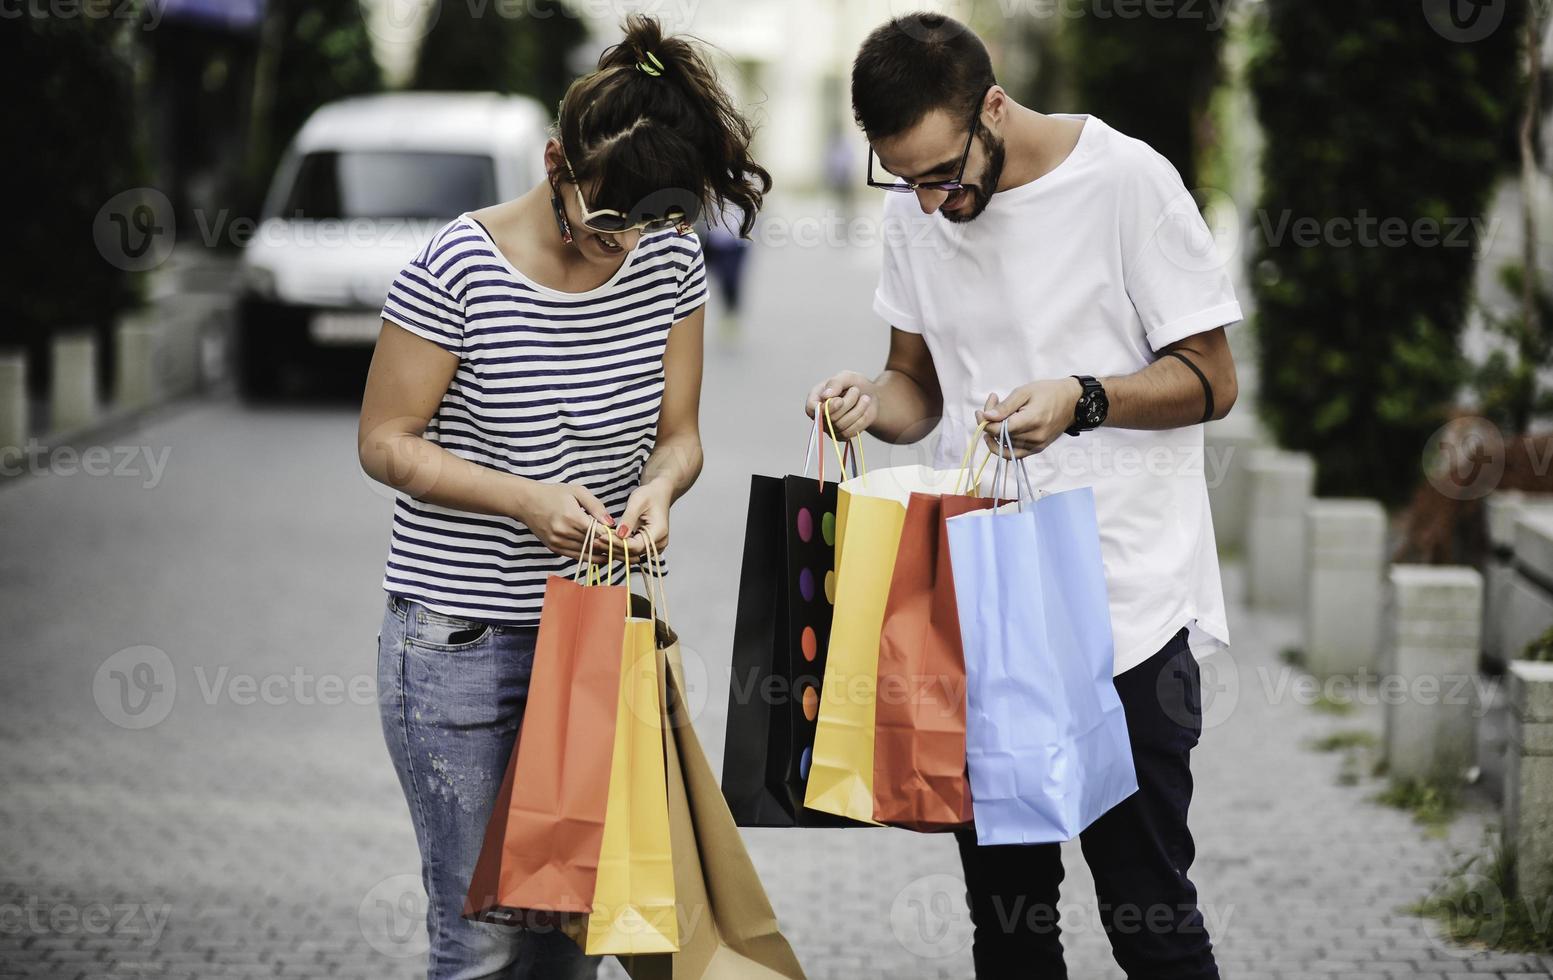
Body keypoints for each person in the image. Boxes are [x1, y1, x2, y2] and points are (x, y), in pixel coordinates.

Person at [807, 13, 1238, 980]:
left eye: (942, 174)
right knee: (1008, 924)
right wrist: (865, 405)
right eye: (903, 179)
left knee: (1147, 911)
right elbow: (917, 390)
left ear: (993, 108)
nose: (926, 202)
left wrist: (1084, 399)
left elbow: (1213, 378)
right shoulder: (914, 214)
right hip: (985, 604)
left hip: (1126, 610)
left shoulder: (1127, 182)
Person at [357, 16, 769, 980]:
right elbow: (383, 442)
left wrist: (663, 492)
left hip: (592, 636)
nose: (621, 247)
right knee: (482, 941)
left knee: (578, 932)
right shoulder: (455, 266)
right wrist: (523, 500)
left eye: (649, 223)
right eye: (602, 223)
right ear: (555, 163)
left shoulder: (670, 259)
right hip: (457, 643)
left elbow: (680, 439)